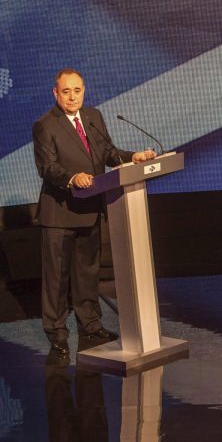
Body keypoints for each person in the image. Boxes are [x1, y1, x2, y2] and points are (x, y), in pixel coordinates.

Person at [33, 68, 156, 355]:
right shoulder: (45, 125)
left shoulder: (93, 116)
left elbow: (108, 153)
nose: (72, 96)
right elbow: (47, 167)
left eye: (77, 90)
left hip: (91, 207)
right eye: (66, 91)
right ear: (56, 93)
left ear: (84, 90)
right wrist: (72, 177)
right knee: (57, 277)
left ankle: (90, 325)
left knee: (87, 273)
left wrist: (130, 157)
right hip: (60, 213)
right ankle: (57, 332)